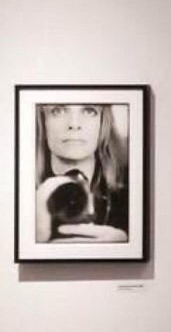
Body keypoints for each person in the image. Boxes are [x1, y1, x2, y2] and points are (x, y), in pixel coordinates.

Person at [35, 104, 129, 243]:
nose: (74, 124)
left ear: (103, 122)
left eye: (89, 111)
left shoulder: (132, 191)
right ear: (43, 121)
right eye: (58, 110)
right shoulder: (16, 193)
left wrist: (124, 248)